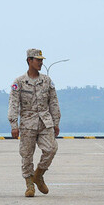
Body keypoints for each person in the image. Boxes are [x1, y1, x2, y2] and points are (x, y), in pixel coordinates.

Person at [8, 48, 61, 197]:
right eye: (38, 60)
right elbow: (13, 104)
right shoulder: (19, 82)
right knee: (26, 155)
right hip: (27, 123)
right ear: (29, 61)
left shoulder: (47, 81)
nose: (41, 63)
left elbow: (54, 102)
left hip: (45, 122)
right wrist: (14, 125)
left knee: (51, 149)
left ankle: (39, 174)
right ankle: (29, 183)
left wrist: (56, 122)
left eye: (42, 60)